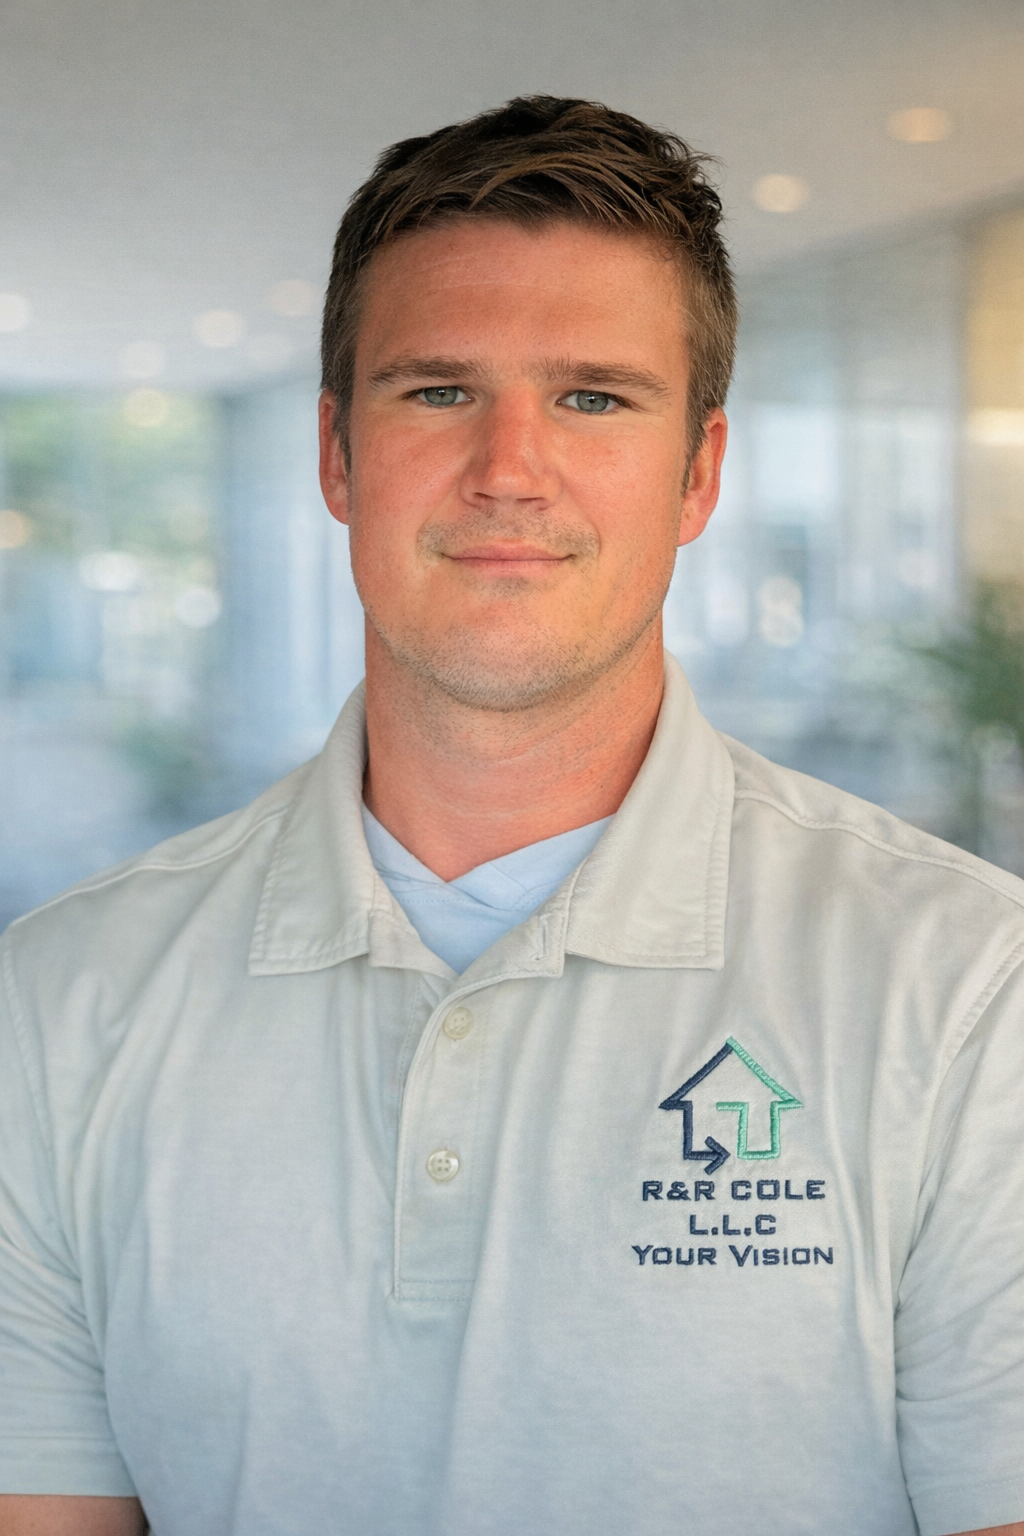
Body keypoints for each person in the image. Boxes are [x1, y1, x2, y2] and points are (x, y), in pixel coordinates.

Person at [0, 95, 1021, 1536]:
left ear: (701, 475)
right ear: (338, 457)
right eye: (436, 391)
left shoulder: (972, 987)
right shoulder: (56, 1005)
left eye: (594, 397)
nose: (510, 470)